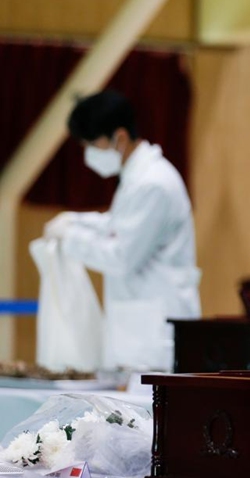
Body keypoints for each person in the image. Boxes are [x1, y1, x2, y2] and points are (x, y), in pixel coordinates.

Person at [44, 90, 201, 371]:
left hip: (155, 332)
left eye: (92, 144)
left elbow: (121, 256)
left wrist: (70, 238)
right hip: (138, 327)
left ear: (120, 137)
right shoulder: (136, 179)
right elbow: (118, 225)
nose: (88, 154)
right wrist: (76, 221)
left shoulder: (152, 183)